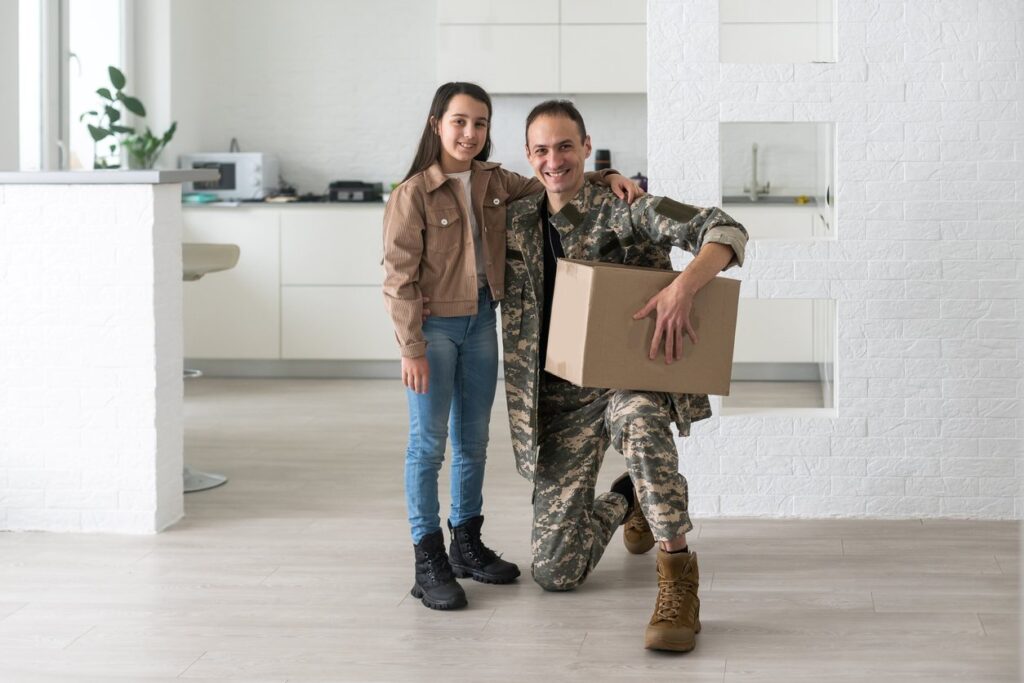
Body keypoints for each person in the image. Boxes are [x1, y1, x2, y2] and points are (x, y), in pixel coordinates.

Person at [382, 83, 643, 611]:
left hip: (482, 322)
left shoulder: (495, 182)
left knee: (473, 442)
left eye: (480, 123)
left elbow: (555, 179)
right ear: (437, 124)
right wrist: (410, 346)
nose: (470, 133)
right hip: (432, 330)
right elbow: (397, 278)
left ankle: (466, 543)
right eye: (459, 122)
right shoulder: (411, 194)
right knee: (428, 445)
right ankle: (427, 556)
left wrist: (607, 176)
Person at [501, 100, 748, 650]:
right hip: (558, 399)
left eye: (566, 146)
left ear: (587, 147)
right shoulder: (515, 219)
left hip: (623, 380)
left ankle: (677, 575)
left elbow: (726, 228)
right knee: (554, 572)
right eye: (541, 149)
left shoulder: (626, 208)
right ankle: (625, 500)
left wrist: (683, 288)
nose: (554, 159)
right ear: (527, 157)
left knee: (639, 421)